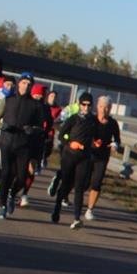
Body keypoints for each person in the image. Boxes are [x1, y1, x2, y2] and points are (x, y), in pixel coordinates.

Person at [0, 72, 47, 218]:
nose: (26, 86)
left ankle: (12, 194)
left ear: (31, 87)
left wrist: (32, 130)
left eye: (29, 84)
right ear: (19, 84)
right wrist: (3, 126)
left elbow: (40, 128)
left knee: (22, 178)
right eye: (23, 83)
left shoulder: (36, 105)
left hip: (24, 146)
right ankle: (2, 206)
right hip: (6, 143)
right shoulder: (7, 100)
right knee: (6, 174)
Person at [52, 92, 96, 228]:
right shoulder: (73, 118)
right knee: (66, 184)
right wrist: (70, 143)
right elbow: (61, 135)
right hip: (69, 156)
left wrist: (96, 143)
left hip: (84, 158)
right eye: (84, 105)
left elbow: (96, 137)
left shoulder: (93, 121)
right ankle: (57, 208)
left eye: (89, 105)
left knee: (79, 187)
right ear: (80, 104)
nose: (86, 108)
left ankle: (77, 218)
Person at [82, 95, 123, 221]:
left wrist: (114, 145)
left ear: (110, 108)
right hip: (88, 154)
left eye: (107, 107)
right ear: (97, 107)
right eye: (101, 107)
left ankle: (90, 209)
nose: (104, 110)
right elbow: (82, 135)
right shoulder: (91, 120)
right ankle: (70, 197)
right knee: (84, 182)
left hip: (102, 156)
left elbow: (117, 139)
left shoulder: (113, 123)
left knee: (97, 182)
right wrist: (92, 143)